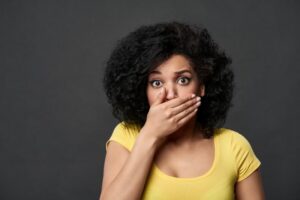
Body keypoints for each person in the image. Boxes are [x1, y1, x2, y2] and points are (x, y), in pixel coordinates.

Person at [100, 22, 265, 200]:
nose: (170, 95)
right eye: (156, 83)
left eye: (183, 80)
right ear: (143, 91)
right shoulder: (126, 137)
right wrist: (150, 135)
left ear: (202, 87)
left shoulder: (234, 147)